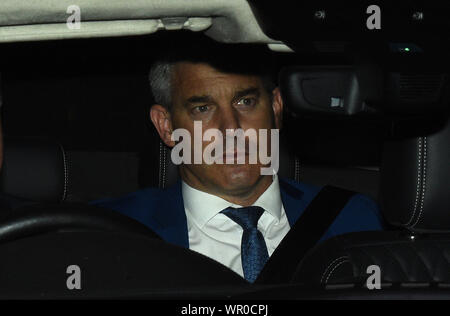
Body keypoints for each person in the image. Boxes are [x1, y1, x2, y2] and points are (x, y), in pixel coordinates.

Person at [91, 38, 384, 283]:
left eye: (245, 102)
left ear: (276, 108)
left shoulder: (353, 218)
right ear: (166, 126)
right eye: (202, 108)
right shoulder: (110, 232)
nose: (230, 128)